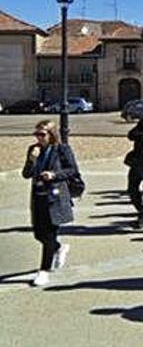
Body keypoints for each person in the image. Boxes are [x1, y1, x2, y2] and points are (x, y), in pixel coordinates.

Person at [22, 120, 80, 287]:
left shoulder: (62, 149)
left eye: (42, 134)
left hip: (55, 196)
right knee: (39, 234)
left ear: (52, 135)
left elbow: (72, 170)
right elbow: (26, 174)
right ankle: (59, 248)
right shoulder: (33, 150)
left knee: (49, 234)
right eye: (36, 134)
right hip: (38, 195)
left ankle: (43, 271)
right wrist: (32, 160)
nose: (39, 138)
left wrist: (54, 175)